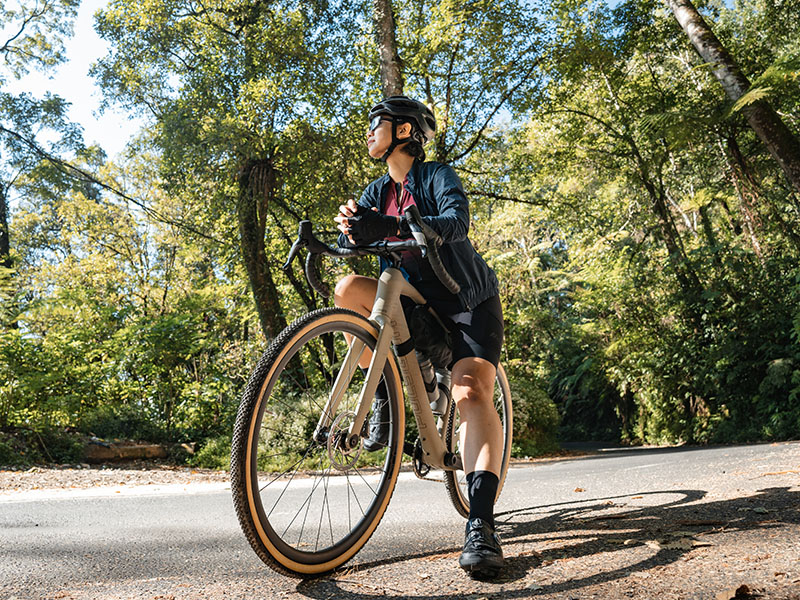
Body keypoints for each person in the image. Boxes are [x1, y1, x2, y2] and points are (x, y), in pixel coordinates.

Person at [333, 95, 506, 579]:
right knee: (349, 290)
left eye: (377, 124)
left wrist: (392, 225)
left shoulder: (436, 177)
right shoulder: (376, 189)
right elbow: (359, 239)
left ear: (405, 131)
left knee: (472, 393)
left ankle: (481, 522)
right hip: (413, 303)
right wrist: (351, 229)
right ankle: (391, 403)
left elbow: (456, 223)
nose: (369, 132)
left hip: (466, 302)